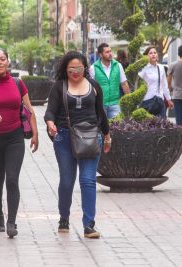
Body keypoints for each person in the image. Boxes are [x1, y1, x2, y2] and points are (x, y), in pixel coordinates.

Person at [45, 51, 111, 239]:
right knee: (67, 181)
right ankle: (64, 218)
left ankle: (89, 225)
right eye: (71, 68)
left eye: (79, 68)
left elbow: (101, 114)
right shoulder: (59, 87)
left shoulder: (94, 86)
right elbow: (50, 112)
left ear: (85, 68)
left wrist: (107, 136)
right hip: (65, 138)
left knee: (88, 180)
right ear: (65, 69)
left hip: (91, 137)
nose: (75, 72)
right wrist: (50, 123)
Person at [0, 48, 39, 238]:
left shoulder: (18, 83)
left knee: (12, 179)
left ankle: (11, 221)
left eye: (2, 59)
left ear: (8, 61)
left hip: (15, 138)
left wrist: (35, 133)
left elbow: (29, 109)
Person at [89, 43, 130, 119]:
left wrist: (129, 100)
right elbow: (90, 88)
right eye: (107, 52)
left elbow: (124, 83)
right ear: (101, 55)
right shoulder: (93, 68)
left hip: (115, 104)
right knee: (101, 128)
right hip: (100, 104)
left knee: (117, 127)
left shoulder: (118, 65)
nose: (110, 54)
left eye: (110, 51)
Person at [138, 46, 174, 118]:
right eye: (150, 53)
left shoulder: (160, 67)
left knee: (162, 125)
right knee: (148, 126)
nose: (153, 54)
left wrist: (169, 100)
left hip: (159, 100)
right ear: (146, 56)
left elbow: (164, 85)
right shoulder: (144, 68)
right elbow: (137, 82)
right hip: (147, 100)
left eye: (155, 53)